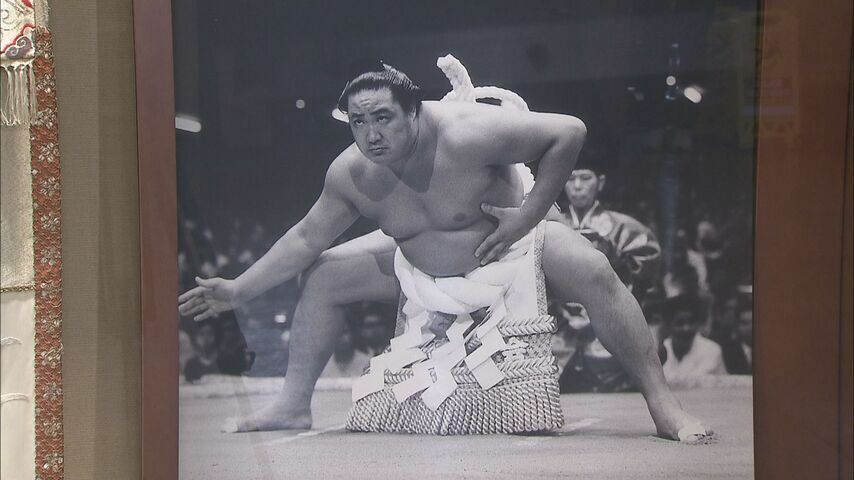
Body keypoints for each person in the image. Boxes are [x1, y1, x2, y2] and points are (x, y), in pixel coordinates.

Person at [178, 62, 707, 440]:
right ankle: (293, 406)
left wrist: (526, 216)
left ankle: (664, 404)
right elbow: (305, 238)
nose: (372, 134)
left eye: (383, 117)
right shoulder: (352, 173)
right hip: (418, 268)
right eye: (359, 122)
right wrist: (237, 290)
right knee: (323, 274)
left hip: (514, 252)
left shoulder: (468, 133)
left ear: (416, 111)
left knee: (594, 269)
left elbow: (568, 132)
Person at [550, 157, 662, 393]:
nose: (577, 185)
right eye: (570, 179)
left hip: (609, 321)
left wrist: (616, 258)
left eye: (585, 178)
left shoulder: (626, 228)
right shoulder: (549, 225)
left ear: (600, 182)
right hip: (560, 326)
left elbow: (646, 277)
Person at [661, 294, 727, 386]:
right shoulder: (660, 349)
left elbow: (694, 382)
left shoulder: (711, 350)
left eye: (691, 322)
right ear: (668, 326)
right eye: (679, 323)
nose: (686, 328)